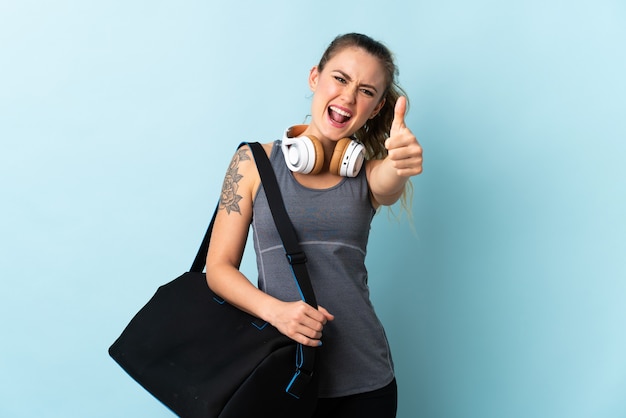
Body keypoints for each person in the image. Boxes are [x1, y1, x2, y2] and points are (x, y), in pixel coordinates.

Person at [206, 33, 423, 418]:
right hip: (278, 376)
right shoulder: (252, 162)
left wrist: (401, 161)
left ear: (375, 109)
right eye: (340, 79)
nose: (348, 97)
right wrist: (276, 312)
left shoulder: (368, 176)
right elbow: (218, 269)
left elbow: (390, 181)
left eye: (366, 91)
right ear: (314, 77)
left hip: (365, 382)